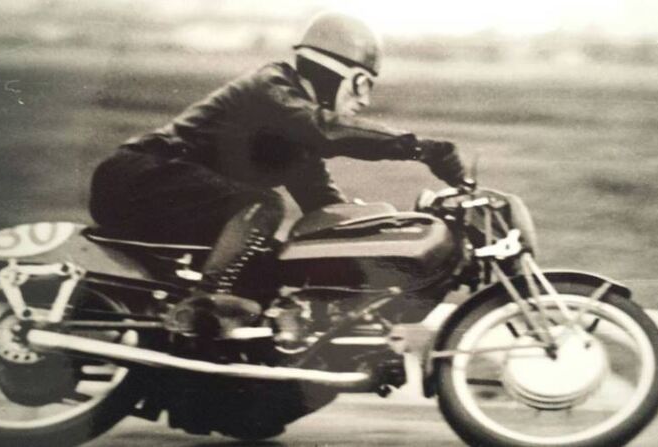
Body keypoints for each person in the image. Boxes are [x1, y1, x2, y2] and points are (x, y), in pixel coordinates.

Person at [89, 11, 466, 338]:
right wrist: (420, 148)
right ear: (332, 71)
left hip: (169, 195)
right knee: (262, 204)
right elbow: (326, 129)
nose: (364, 100)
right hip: (137, 177)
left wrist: (377, 237)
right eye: (362, 84)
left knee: (272, 265)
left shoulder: (295, 139)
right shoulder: (273, 89)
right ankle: (202, 307)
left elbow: (324, 207)